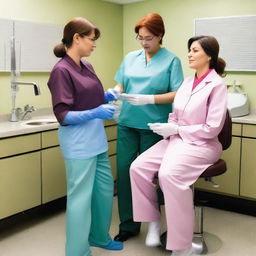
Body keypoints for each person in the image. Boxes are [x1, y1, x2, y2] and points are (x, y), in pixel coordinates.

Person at [129, 35, 227, 256]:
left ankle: (183, 245)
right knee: (137, 168)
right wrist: (167, 127)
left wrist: (179, 130)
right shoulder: (186, 82)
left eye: (195, 50)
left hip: (203, 144)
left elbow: (212, 128)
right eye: (189, 50)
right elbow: (176, 114)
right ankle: (153, 221)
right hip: (177, 139)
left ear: (209, 56)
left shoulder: (217, 85)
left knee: (168, 175)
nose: (189, 54)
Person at [47, 17, 123, 256]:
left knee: (103, 193)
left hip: (96, 141)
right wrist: (96, 112)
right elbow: (63, 114)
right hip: (78, 144)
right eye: (91, 39)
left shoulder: (87, 66)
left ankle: (99, 237)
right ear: (77, 38)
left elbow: (90, 98)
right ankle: (77, 251)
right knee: (80, 200)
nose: (94, 44)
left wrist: (105, 96)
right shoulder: (61, 71)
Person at [113, 13, 184, 242]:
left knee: (152, 177)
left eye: (149, 38)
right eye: (140, 38)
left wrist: (149, 100)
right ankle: (129, 225)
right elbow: (121, 82)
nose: (144, 42)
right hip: (127, 123)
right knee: (124, 173)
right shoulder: (131, 57)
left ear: (160, 35)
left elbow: (178, 93)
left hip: (154, 126)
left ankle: (157, 225)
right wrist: (115, 91)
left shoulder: (172, 61)